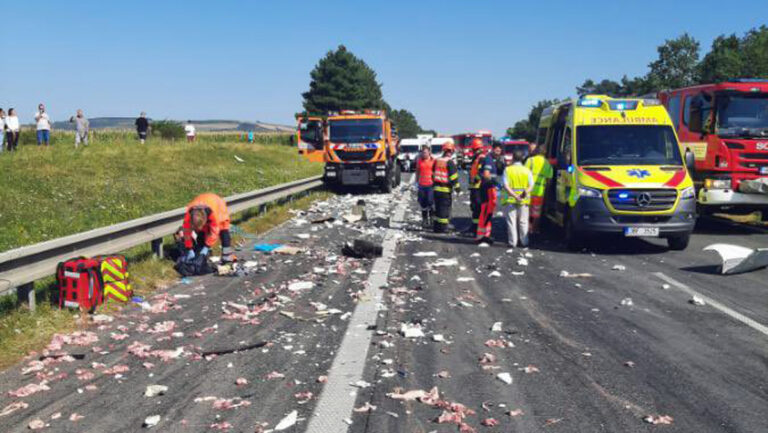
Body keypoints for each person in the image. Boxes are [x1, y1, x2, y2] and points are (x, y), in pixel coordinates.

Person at [182, 193, 235, 264]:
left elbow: (214, 232)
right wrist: (189, 248)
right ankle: (203, 256)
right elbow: (186, 232)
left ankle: (226, 256)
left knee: (223, 228)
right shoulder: (189, 215)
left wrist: (206, 247)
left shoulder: (212, 213)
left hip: (218, 204)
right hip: (204, 200)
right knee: (202, 232)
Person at [503, 149, 534, 248]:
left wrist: (515, 195)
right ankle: (524, 242)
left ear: (513, 158)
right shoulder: (527, 170)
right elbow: (531, 185)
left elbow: (506, 186)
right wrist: (524, 193)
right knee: (523, 221)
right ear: (522, 159)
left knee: (511, 221)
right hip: (524, 200)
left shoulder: (508, 170)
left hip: (511, 200)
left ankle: (513, 242)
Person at [476, 141, 505, 244]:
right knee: (485, 212)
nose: (498, 151)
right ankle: (481, 237)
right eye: (497, 149)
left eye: (500, 149)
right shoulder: (488, 159)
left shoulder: (494, 159)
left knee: (488, 213)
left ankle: (485, 235)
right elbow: (486, 174)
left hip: (490, 188)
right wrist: (497, 183)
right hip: (487, 188)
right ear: (493, 149)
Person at [524, 143, 553, 235]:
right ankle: (534, 229)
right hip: (540, 192)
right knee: (536, 213)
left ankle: (527, 228)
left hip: (528, 191)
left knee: (527, 211)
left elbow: (524, 174)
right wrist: (546, 191)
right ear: (545, 152)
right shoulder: (547, 163)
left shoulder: (530, 160)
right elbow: (549, 179)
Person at [432, 142, 460, 233]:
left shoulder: (437, 160)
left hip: (436, 189)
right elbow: (453, 177)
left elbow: (433, 173)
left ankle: (436, 227)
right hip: (445, 189)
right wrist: (457, 188)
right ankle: (443, 228)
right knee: (444, 209)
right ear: (452, 151)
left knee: (438, 208)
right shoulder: (450, 162)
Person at [465, 138, 486, 235]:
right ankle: (474, 227)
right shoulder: (477, 157)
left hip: (478, 186)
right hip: (474, 186)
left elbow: (481, 171)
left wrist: (475, 178)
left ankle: (477, 228)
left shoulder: (481, 157)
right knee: (474, 207)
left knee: (477, 207)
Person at [414, 145, 436, 228]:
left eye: (425, 152)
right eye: (423, 153)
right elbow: (417, 172)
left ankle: (432, 219)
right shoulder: (419, 161)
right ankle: (424, 220)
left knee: (430, 202)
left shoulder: (433, 161)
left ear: (429, 152)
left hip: (430, 185)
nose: (424, 154)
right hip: (422, 185)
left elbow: (435, 171)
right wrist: (416, 182)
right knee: (423, 203)